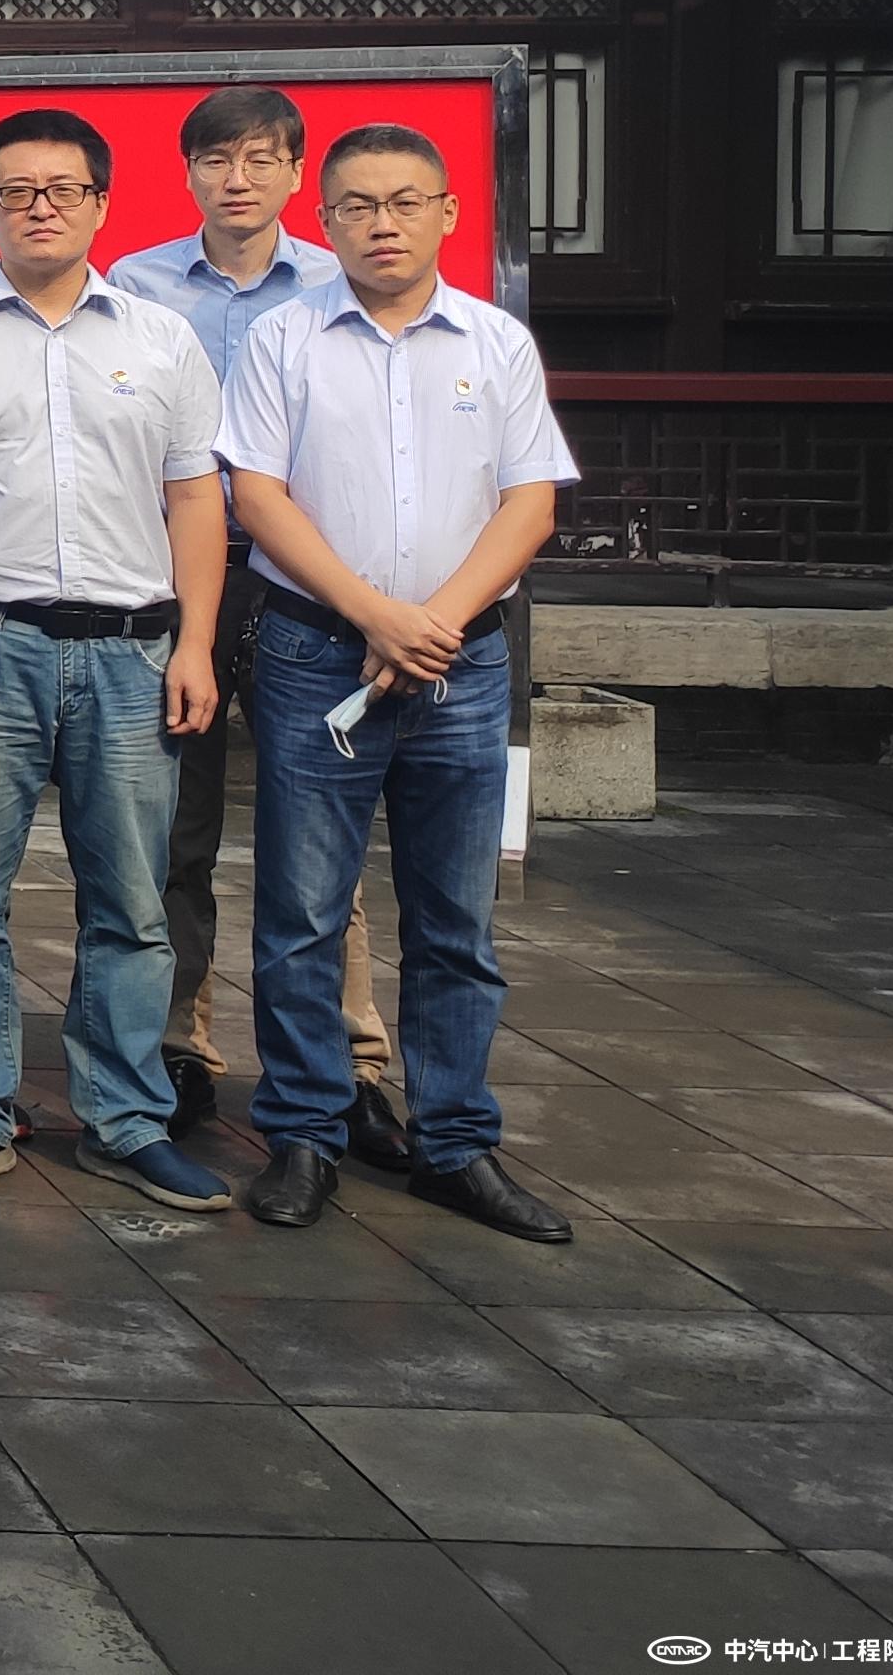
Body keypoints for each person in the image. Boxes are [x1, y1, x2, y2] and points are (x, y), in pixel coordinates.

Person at [0, 108, 232, 1213]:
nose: (40, 207)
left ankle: (126, 1118)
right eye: (17, 191)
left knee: (131, 903)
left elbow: (194, 499)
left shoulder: (161, 339)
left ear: (100, 204)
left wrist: (196, 644)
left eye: (63, 189)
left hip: (132, 651)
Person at [221, 124, 578, 1242]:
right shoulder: (283, 338)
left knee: (455, 920)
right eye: (359, 206)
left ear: (447, 214)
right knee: (301, 914)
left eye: (405, 202)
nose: (383, 224)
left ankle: (456, 1143)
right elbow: (257, 496)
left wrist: (433, 624)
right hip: (312, 652)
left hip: (460, 664)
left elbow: (530, 502)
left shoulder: (495, 342)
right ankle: (304, 1133)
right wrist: (375, 613)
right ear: (324, 221)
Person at [113, 85, 399, 1164]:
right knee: (172, 826)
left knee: (319, 832)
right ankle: (178, 1047)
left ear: (295, 174)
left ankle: (349, 1063)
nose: (238, 180)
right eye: (216, 160)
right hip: (170, 577)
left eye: (260, 160)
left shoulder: (338, 285)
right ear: (187, 172)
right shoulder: (134, 284)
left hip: (305, 584)